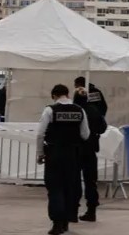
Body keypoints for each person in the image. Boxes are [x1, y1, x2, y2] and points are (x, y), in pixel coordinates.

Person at [37, 84, 90, 235]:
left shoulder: (50, 110)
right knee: (69, 188)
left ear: (54, 95)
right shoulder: (80, 110)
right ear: (67, 95)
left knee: (55, 188)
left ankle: (57, 223)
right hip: (73, 154)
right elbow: (85, 134)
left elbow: (40, 134)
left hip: (54, 153)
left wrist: (40, 153)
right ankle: (66, 221)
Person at [73, 87, 107, 222]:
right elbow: (103, 127)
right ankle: (91, 210)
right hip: (91, 149)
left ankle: (73, 210)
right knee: (91, 182)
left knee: (74, 180)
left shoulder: (75, 110)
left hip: (76, 149)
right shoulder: (94, 110)